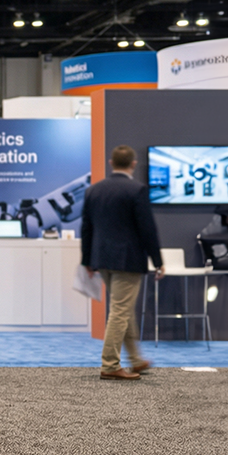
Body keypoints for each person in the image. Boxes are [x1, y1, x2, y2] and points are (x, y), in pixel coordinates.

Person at [81, 145, 164, 381]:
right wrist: (157, 261)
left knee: (122, 310)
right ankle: (109, 364)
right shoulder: (137, 190)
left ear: (111, 163)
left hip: (102, 259)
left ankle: (136, 359)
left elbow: (86, 228)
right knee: (120, 311)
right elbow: (148, 230)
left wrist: (87, 259)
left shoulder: (94, 190)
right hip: (128, 260)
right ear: (133, 164)